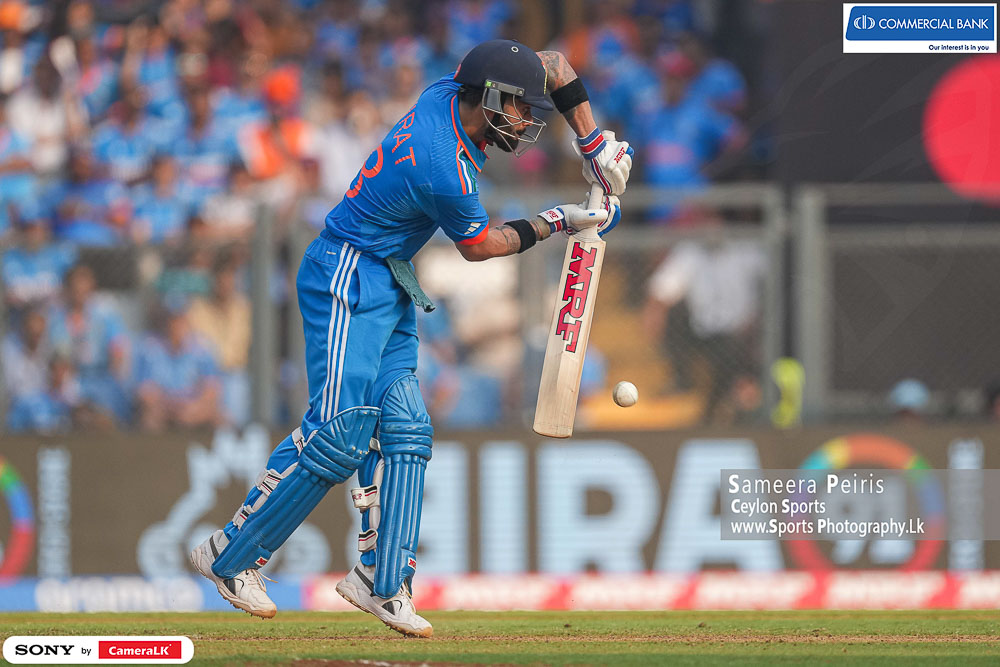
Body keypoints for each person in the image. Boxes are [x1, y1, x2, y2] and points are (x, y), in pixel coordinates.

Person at [190, 39, 631, 637]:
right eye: (520, 107)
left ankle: (381, 579)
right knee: (340, 432)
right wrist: (557, 220)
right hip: (346, 273)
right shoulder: (441, 162)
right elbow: (480, 246)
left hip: (390, 275)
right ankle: (229, 557)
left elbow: (552, 63)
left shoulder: (452, 90)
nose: (527, 119)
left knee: (405, 431)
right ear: (490, 98)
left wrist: (593, 144)